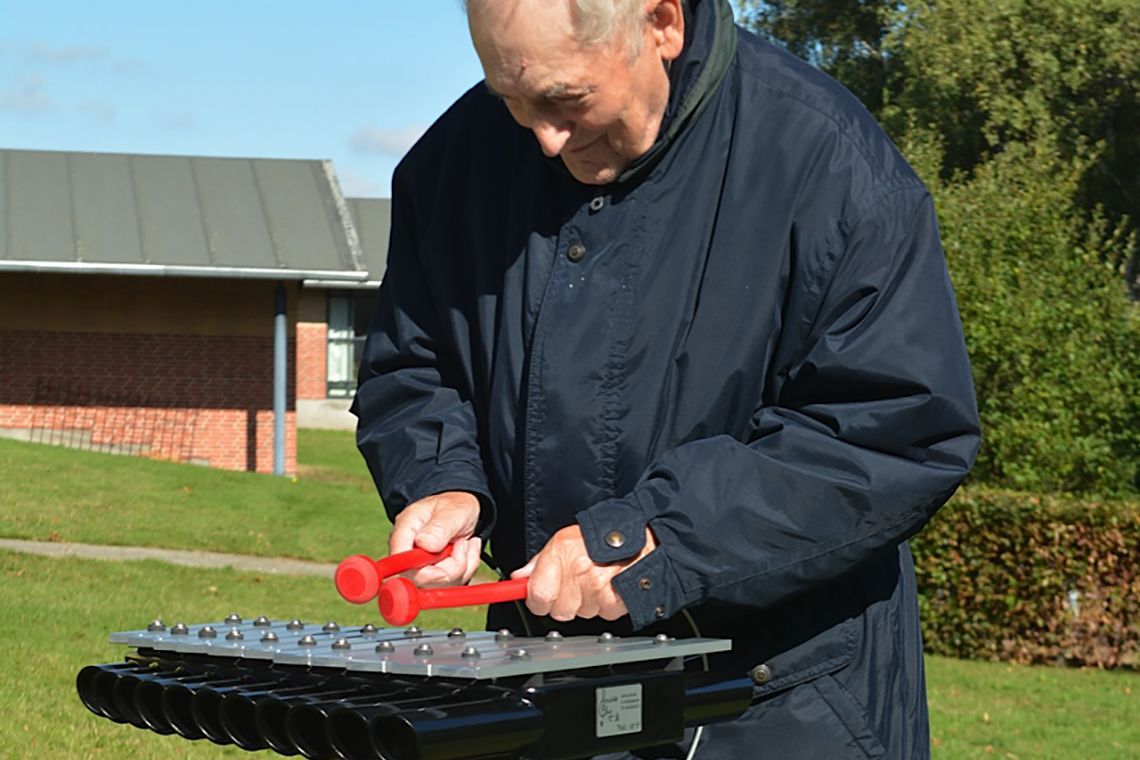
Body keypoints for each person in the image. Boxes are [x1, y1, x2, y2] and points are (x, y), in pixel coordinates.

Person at [351, 0, 981, 756]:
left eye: (564, 99)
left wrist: (656, 537)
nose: (543, 140)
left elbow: (895, 430)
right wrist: (444, 479)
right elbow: (411, 368)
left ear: (662, 22)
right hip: (541, 699)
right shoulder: (451, 164)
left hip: (779, 708)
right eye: (510, 101)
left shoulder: (830, 163)